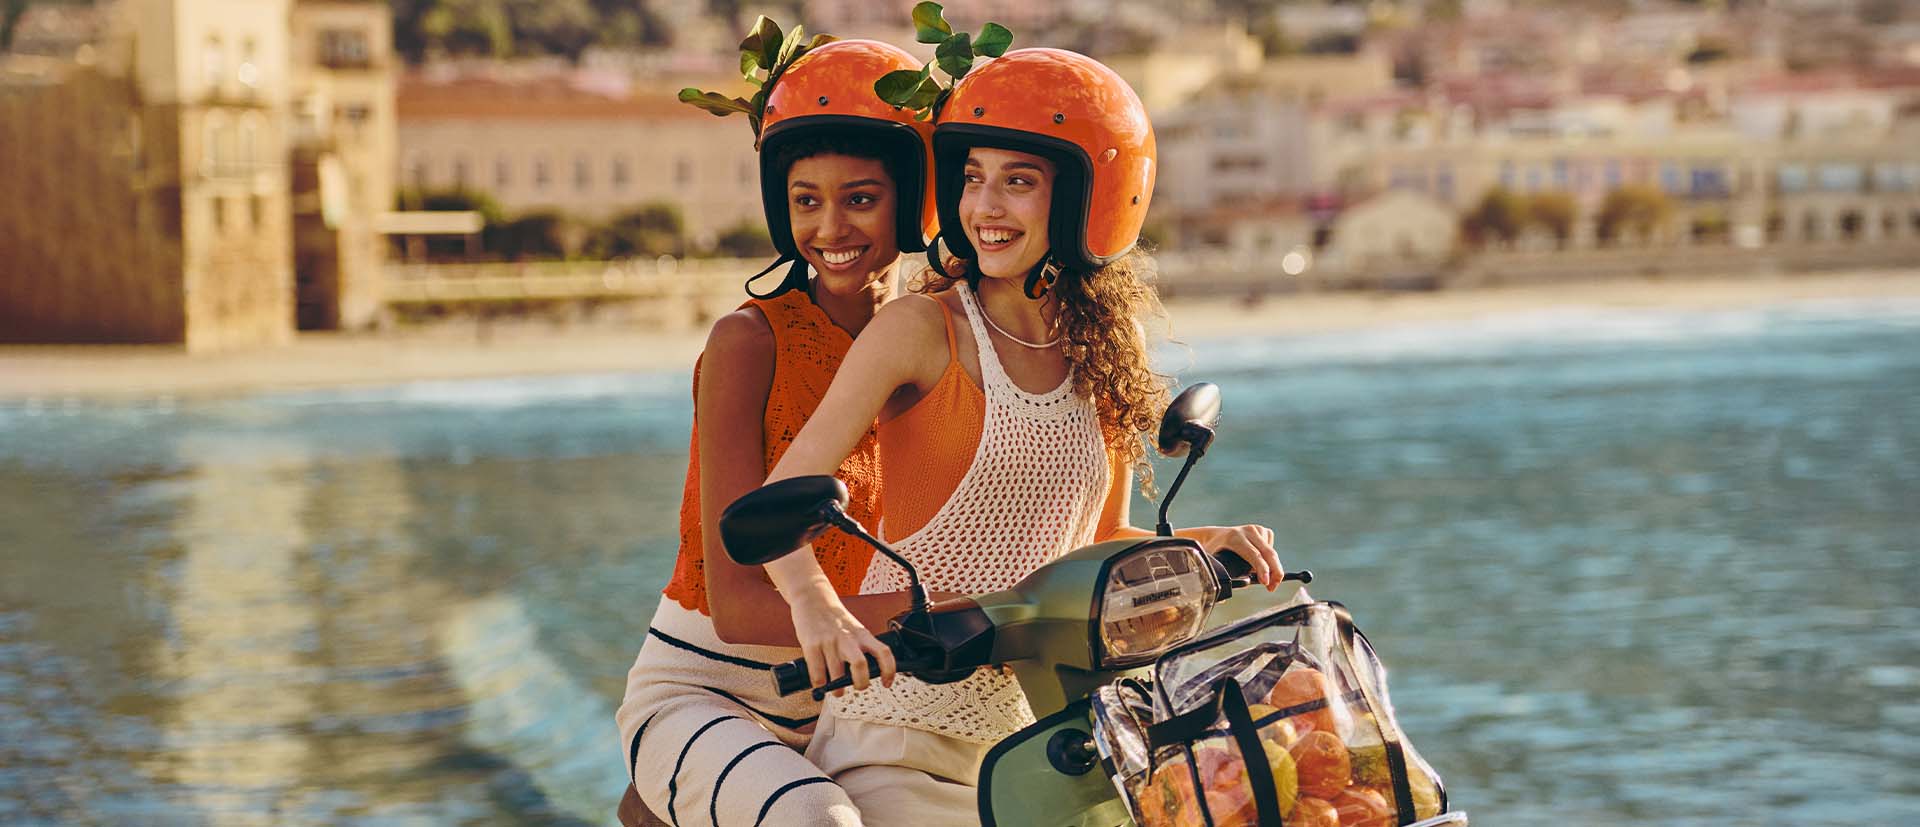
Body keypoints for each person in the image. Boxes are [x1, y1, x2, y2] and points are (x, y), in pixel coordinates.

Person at [748, 48, 1287, 826]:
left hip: (1052, 740)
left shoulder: (1105, 345)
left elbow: (1085, 543)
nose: (984, 206)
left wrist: (1208, 545)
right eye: (972, 177)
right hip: (903, 744)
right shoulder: (921, 329)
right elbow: (780, 498)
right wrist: (816, 607)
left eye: (1019, 181)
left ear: (1088, 201)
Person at [613, 38, 939, 827]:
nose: (831, 226)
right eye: (805, 200)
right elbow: (737, 598)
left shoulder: (939, 338)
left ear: (914, 198)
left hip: (847, 703)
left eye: (861, 198)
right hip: (705, 686)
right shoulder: (748, 342)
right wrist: (970, 608)